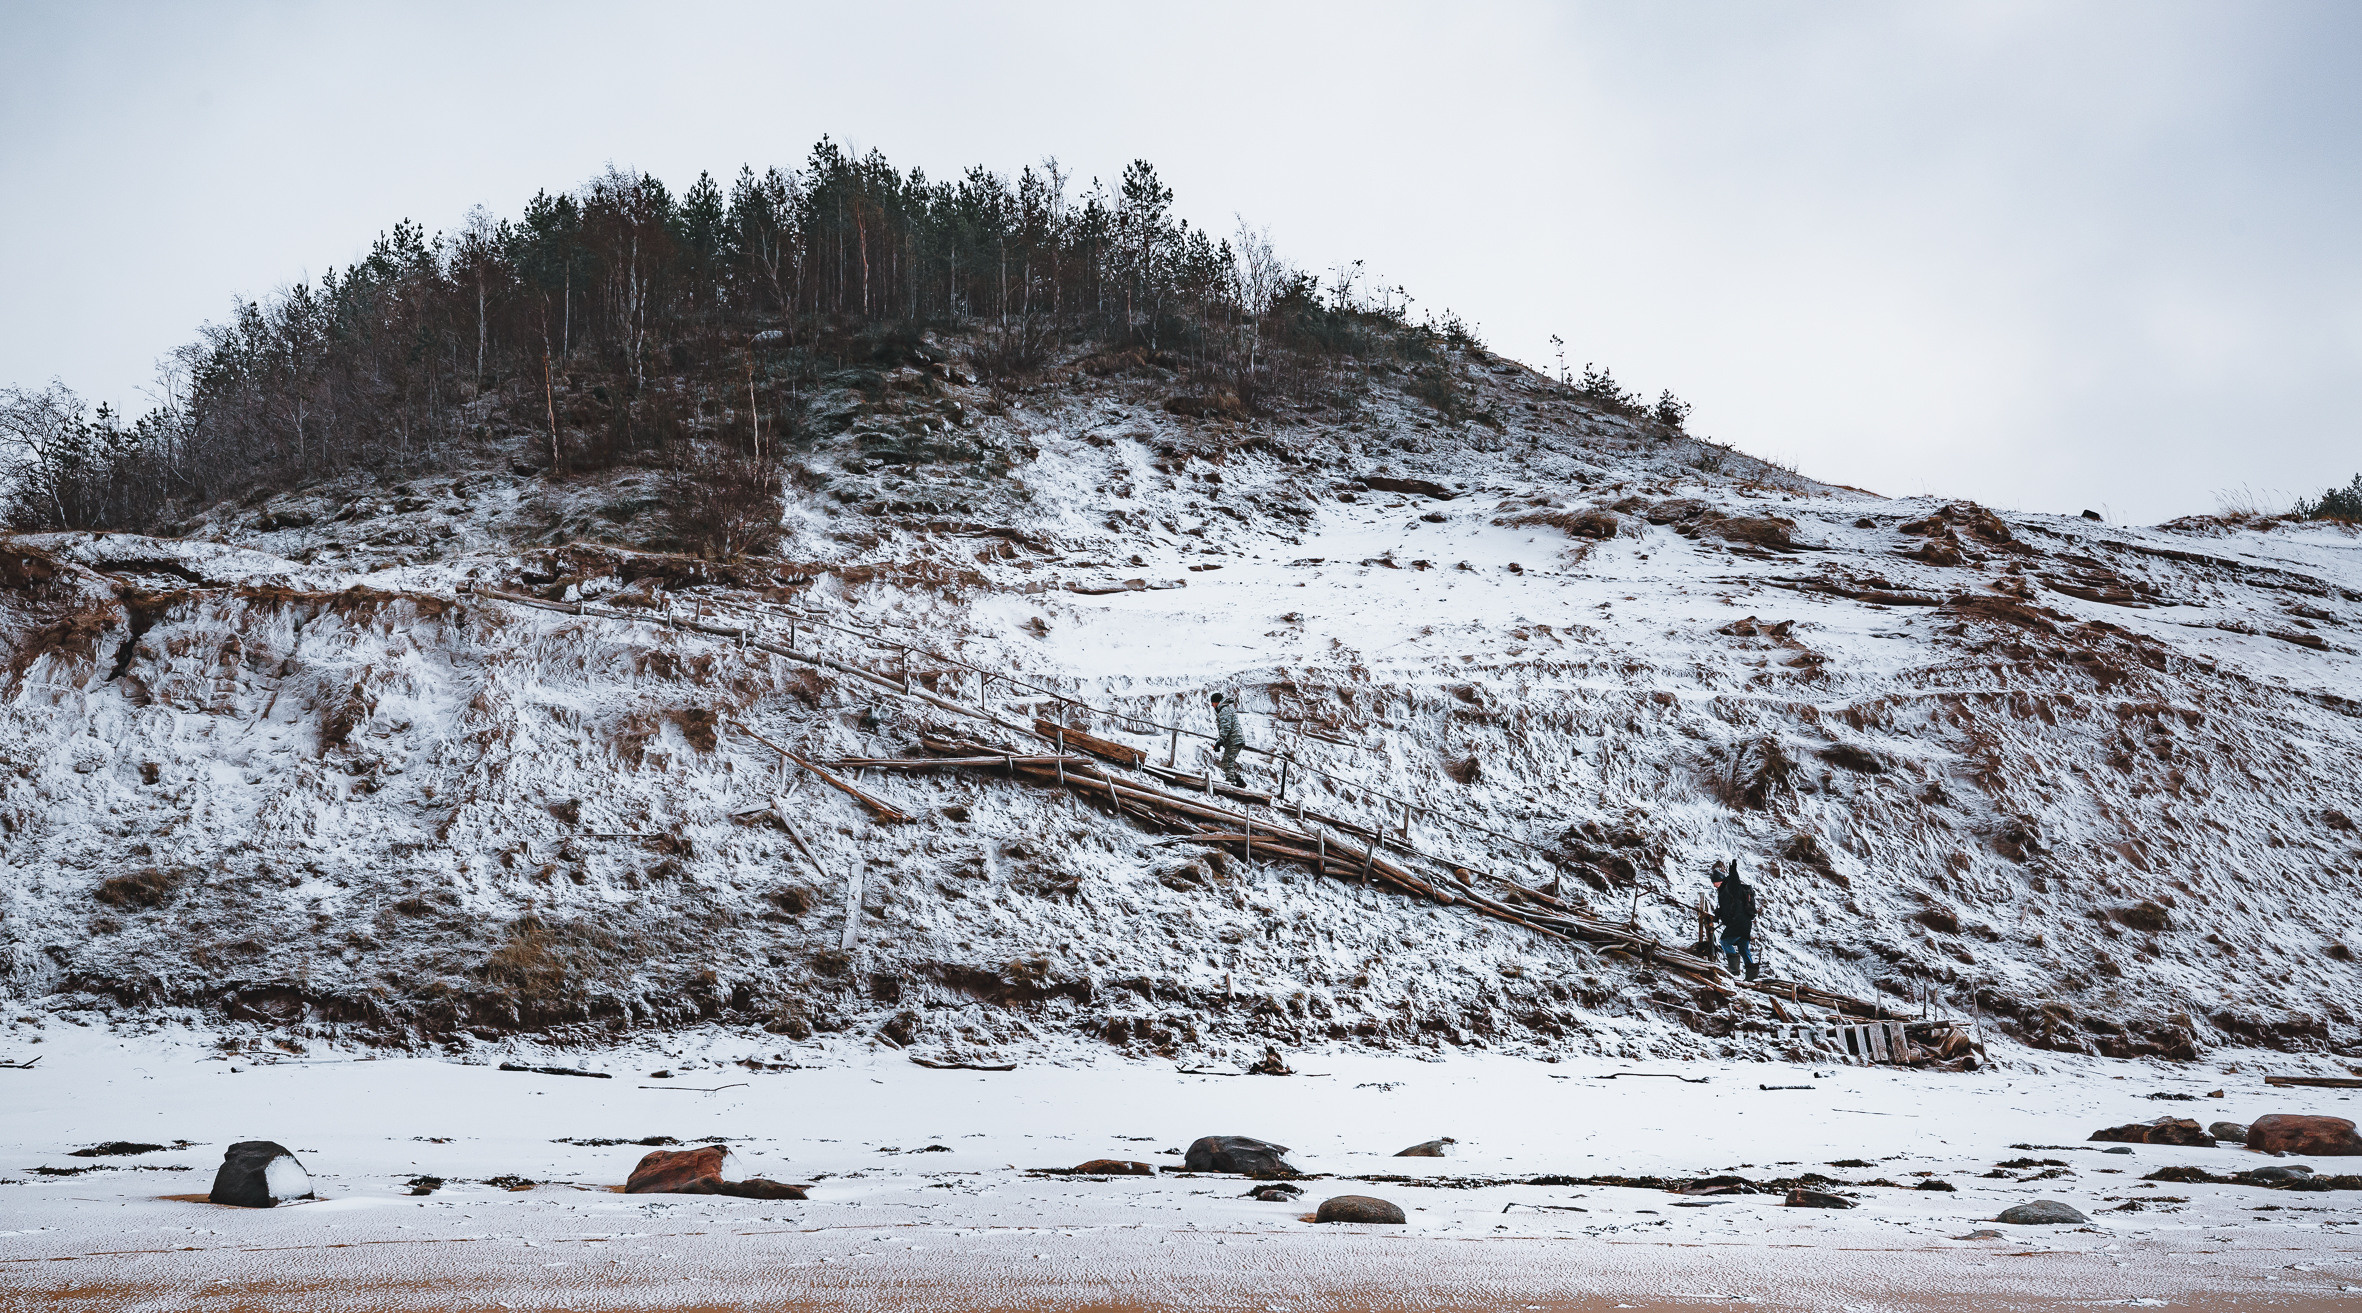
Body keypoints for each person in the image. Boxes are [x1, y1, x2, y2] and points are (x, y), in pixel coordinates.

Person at [1711, 861, 1759, 981]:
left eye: (1715, 882)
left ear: (1719, 881)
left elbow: (1735, 882)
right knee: (1743, 948)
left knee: (1725, 941)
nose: (1714, 885)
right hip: (1744, 923)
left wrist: (1733, 872)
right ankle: (1751, 978)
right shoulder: (1723, 891)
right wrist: (1717, 915)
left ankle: (1734, 971)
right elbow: (1726, 908)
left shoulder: (1730, 887)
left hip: (1738, 922)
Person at [1210, 691, 1246, 786]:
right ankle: (1239, 781)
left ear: (1217, 702)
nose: (1212, 705)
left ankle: (1231, 783)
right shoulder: (1226, 709)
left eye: (1212, 703)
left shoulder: (1224, 710)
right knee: (1225, 764)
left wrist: (1219, 742)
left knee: (1227, 763)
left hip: (1234, 740)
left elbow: (1226, 727)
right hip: (1234, 740)